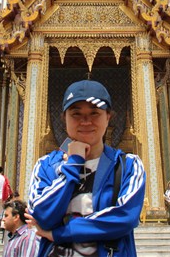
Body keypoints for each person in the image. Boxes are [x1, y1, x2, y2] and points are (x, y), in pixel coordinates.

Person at [26, 79, 146, 257]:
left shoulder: (128, 165)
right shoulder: (46, 166)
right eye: (76, 114)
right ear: (64, 118)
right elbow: (42, 216)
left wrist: (60, 233)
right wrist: (74, 163)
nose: (86, 121)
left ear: (108, 117)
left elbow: (125, 217)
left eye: (94, 113)